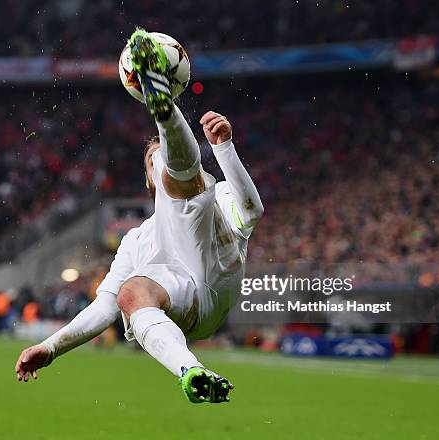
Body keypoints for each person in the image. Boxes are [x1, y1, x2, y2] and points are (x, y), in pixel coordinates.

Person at [15, 29, 263, 403]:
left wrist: (225, 149)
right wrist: (51, 348)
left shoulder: (219, 191)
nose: (157, 157)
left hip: (219, 277)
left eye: (160, 152)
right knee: (130, 294)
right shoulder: (135, 242)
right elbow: (103, 307)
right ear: (148, 180)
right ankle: (190, 372)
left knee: (187, 188)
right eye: (152, 160)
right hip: (186, 305)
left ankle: (161, 104)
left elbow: (251, 213)